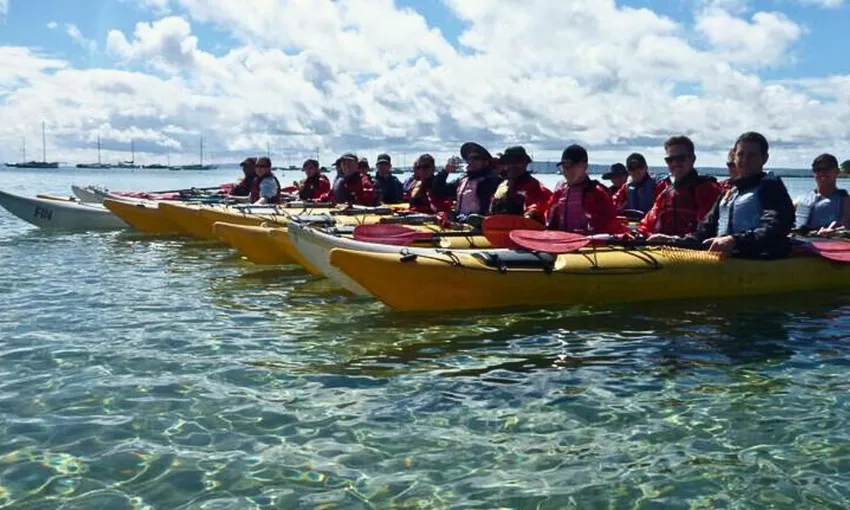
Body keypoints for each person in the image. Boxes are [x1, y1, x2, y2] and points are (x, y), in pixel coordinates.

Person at [682, 132, 795, 257]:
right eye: (741, 154)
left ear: (764, 158)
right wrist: (674, 241)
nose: (745, 160)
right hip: (728, 259)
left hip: (757, 258)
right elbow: (704, 231)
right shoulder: (729, 192)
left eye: (752, 155)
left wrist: (734, 241)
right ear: (734, 157)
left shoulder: (772, 188)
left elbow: (775, 229)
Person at [639, 136, 721, 237]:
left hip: (695, 250)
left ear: (692, 159)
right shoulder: (666, 194)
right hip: (665, 249)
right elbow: (646, 225)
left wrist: (673, 240)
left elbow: (706, 232)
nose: (675, 163)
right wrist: (635, 235)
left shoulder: (707, 190)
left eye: (680, 158)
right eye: (670, 160)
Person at [545, 144, 624, 234]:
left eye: (571, 165)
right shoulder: (560, 192)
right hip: (562, 242)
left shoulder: (597, 193)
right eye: (564, 166)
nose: (567, 170)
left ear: (585, 166)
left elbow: (607, 226)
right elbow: (549, 220)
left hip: (588, 244)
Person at [432, 142, 502, 219]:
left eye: (476, 158)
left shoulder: (491, 180)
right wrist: (445, 172)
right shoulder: (463, 180)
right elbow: (438, 192)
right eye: (469, 158)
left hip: (479, 225)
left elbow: (488, 207)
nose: (471, 161)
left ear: (485, 162)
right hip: (461, 223)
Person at [489, 146, 552, 224]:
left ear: (525, 164)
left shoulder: (537, 188)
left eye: (517, 162)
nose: (512, 165)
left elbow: (542, 207)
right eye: (508, 162)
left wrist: (532, 213)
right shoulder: (501, 186)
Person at [794, 153, 850, 233]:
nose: (823, 172)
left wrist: (834, 231)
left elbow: (844, 225)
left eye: (827, 168)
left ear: (837, 171)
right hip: (799, 241)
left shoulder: (845, 201)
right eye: (818, 169)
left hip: (829, 241)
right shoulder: (800, 200)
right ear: (814, 173)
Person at [612, 153, 658, 217]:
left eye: (640, 167)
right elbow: (614, 201)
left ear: (646, 168)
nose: (636, 171)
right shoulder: (626, 187)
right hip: (631, 223)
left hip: (652, 224)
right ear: (628, 171)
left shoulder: (657, 185)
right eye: (632, 168)